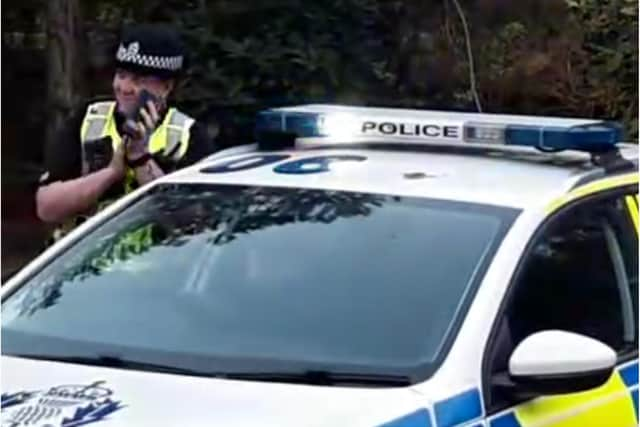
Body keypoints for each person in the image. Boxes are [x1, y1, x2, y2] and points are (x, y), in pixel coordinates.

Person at [36, 24, 215, 242]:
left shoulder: (189, 136)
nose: (124, 87)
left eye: (138, 80)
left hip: (156, 273)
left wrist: (141, 159)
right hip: (82, 272)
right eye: (121, 75)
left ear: (166, 87)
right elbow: (46, 207)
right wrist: (110, 173)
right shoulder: (89, 119)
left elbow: (193, 226)